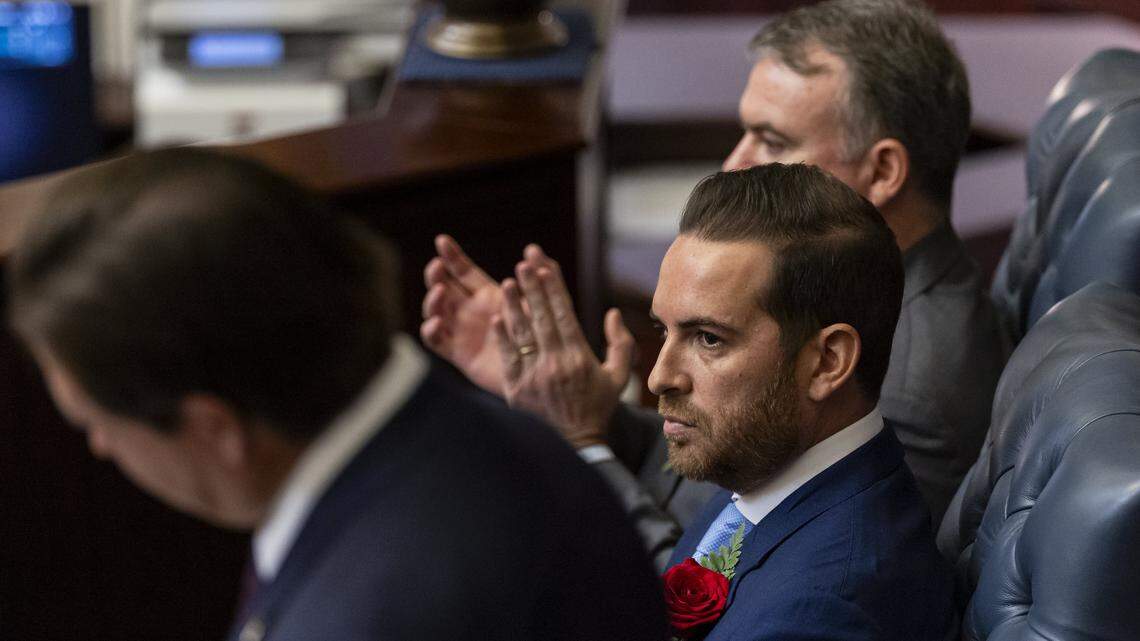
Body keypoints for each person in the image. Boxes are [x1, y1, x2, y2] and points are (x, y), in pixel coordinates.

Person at [6, 148, 667, 641]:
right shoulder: (513, 440)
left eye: (93, 419)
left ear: (216, 427)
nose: (98, 446)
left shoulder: (365, 615)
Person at [421, 0, 1007, 554]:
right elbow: (714, 472)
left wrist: (583, 445)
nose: (735, 161)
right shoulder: (860, 300)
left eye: (772, 140)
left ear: (882, 170)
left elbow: (707, 599)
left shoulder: (908, 388)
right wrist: (586, 409)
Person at [517, 164, 955, 639]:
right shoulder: (772, 469)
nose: (661, 376)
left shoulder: (820, 613)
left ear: (828, 361)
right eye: (665, 331)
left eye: (708, 339)